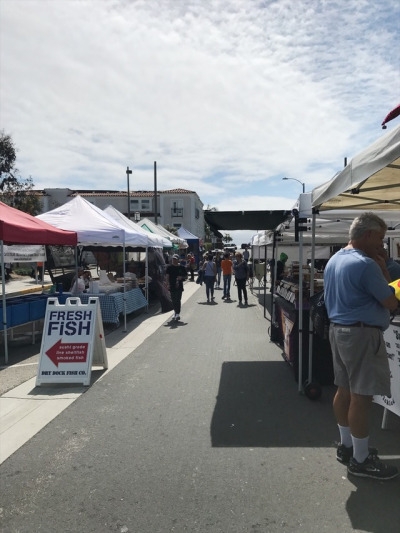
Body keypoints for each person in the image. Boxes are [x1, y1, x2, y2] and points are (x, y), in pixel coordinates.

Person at [324, 212, 399, 481]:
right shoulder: (365, 264)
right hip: (361, 334)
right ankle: (361, 458)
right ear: (367, 235)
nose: (381, 243)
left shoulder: (336, 259)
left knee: (344, 390)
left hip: (340, 330)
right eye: (379, 238)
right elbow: (390, 301)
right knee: (361, 397)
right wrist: (382, 270)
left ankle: (348, 447)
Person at [165, 254, 187, 321]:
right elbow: (167, 276)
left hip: (179, 286)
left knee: (178, 299)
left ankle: (177, 313)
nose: (174, 260)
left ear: (178, 260)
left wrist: (181, 277)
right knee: (173, 300)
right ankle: (175, 312)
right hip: (172, 285)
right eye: (173, 259)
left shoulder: (182, 267)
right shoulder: (169, 267)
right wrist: (167, 284)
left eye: (175, 259)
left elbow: (186, 276)